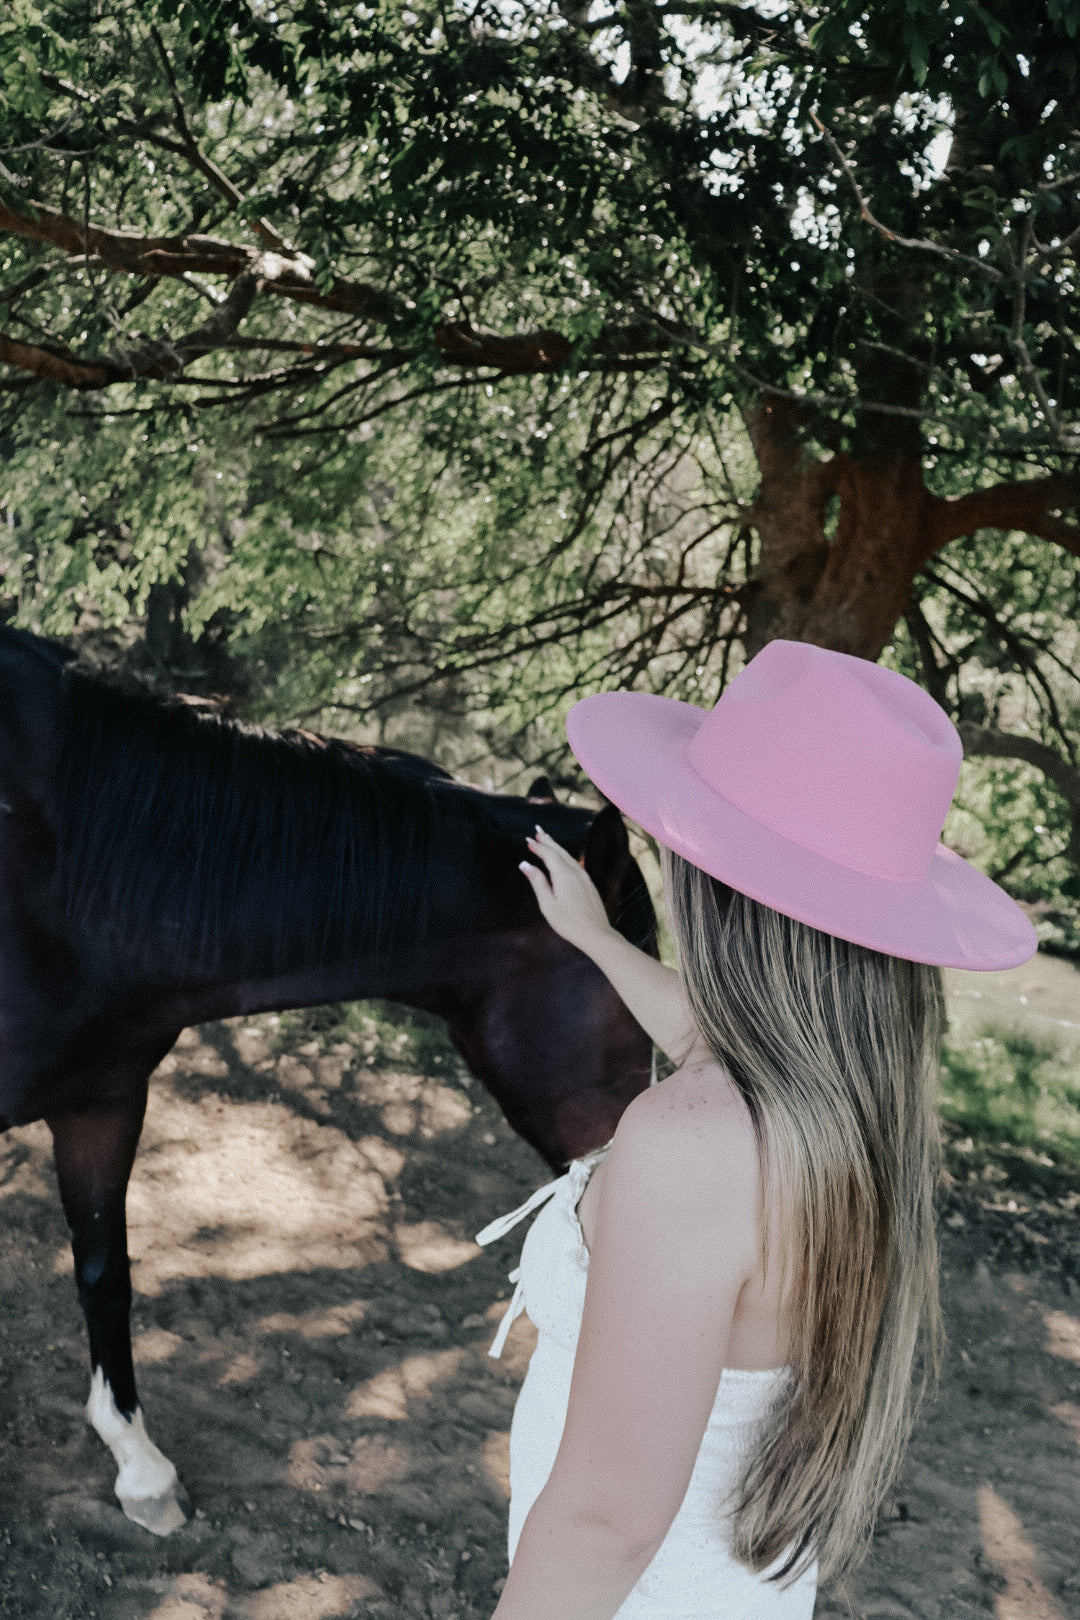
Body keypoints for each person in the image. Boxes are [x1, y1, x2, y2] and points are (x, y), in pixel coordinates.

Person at [475, 639, 1036, 1620]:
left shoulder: (690, 1144)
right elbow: (710, 1038)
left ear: (716, 880)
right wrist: (598, 941)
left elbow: (609, 1522)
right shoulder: (838, 1105)